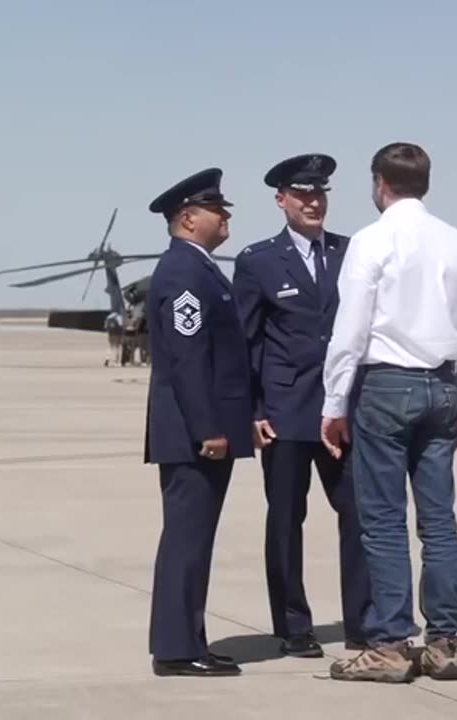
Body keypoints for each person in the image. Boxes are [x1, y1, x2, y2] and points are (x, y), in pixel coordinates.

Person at [320, 142, 457, 683]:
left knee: (383, 520)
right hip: (442, 384)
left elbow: (351, 328)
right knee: (439, 520)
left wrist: (334, 401)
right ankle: (443, 640)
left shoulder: (372, 242)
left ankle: (392, 643)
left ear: (379, 184)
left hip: (387, 386)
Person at [233, 153, 370, 658]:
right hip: (285, 413)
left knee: (359, 515)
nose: (313, 202)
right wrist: (251, 412)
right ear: (281, 200)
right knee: (286, 519)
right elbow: (245, 343)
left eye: (320, 193)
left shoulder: (351, 252)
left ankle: (363, 621)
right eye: (302, 194)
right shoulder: (258, 260)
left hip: (343, 414)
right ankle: (293, 625)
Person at [143, 168, 254, 678]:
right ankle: (175, 648)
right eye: (216, 210)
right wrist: (208, 428)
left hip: (204, 431)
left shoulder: (199, 268)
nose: (225, 216)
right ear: (188, 219)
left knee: (195, 541)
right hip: (194, 437)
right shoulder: (185, 274)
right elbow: (189, 360)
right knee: (187, 541)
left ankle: (188, 639)